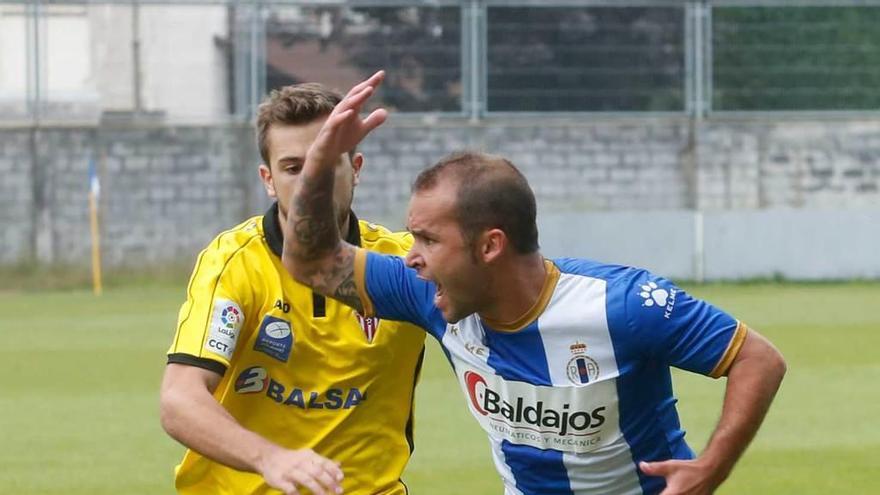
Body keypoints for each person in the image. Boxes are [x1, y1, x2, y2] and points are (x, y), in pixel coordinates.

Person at [281, 71, 787, 495]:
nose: (410, 257)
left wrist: (713, 466)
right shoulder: (434, 296)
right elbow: (311, 263)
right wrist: (321, 169)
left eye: (428, 239)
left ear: (490, 246)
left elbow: (758, 358)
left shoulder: (623, 305)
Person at [159, 82, 426, 495]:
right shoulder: (237, 262)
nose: (310, 181)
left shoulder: (404, 264)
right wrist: (272, 459)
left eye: (325, 162)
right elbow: (180, 400)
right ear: (268, 179)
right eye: (293, 167)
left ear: (355, 168)